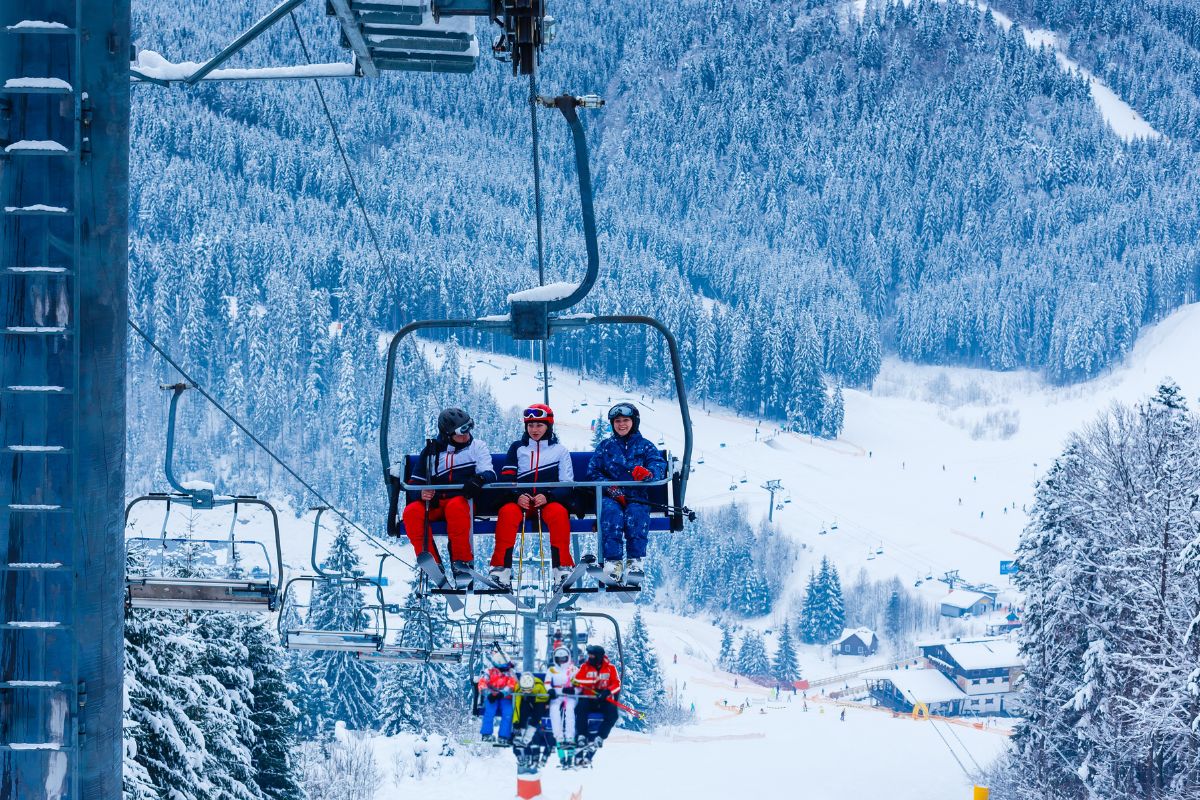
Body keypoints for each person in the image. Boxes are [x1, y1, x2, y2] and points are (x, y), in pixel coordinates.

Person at [401, 408, 495, 579]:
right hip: (436, 503)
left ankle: (462, 562)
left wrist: (478, 479)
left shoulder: (477, 447)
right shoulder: (431, 452)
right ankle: (431, 562)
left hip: (463, 502)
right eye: (461, 432)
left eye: (468, 429)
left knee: (456, 507)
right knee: (411, 512)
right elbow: (415, 483)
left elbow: (489, 472)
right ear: (447, 434)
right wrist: (421, 494)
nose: (466, 436)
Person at [490, 404, 576, 590]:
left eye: (539, 425)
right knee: (507, 513)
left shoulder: (559, 451)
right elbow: (508, 478)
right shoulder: (518, 448)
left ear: (548, 426)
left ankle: (561, 568)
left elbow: (567, 484)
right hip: (521, 502)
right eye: (530, 426)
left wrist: (548, 496)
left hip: (547, 502)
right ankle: (501, 569)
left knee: (559, 514)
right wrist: (516, 496)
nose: (534, 430)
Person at [587, 402, 667, 582]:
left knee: (636, 513)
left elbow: (658, 464)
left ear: (634, 422)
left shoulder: (645, 446)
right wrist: (611, 487)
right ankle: (613, 562)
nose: (621, 425)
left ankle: (634, 561)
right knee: (611, 513)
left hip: (636, 496)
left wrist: (649, 474)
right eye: (617, 421)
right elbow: (593, 471)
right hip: (610, 496)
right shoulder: (605, 446)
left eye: (625, 420)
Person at [572, 645, 622, 765]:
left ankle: (600, 736)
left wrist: (607, 691)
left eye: (592, 656)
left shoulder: (610, 668)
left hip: (604, 699)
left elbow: (617, 684)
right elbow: (577, 681)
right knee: (580, 709)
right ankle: (582, 736)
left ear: (599, 656)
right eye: (589, 655)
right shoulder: (585, 667)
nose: (590, 657)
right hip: (588, 697)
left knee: (613, 714)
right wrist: (593, 685)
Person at [511, 672, 555, 772]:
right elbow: (516, 705)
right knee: (523, 710)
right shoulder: (518, 687)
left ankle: (527, 738)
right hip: (525, 702)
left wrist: (534, 697)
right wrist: (516, 723)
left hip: (538, 701)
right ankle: (519, 735)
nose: (527, 691)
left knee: (537, 714)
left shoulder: (538, 684)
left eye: (529, 689)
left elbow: (545, 698)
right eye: (524, 690)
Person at [477, 653, 517, 744]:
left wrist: (503, 693)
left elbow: (512, 684)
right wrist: (488, 693)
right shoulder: (489, 671)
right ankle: (486, 734)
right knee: (489, 712)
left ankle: (503, 736)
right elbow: (482, 683)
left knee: (508, 713)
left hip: (505, 697)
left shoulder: (510, 673)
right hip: (492, 696)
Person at [545, 646, 577, 750]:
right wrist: (550, 690)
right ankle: (558, 736)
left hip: (569, 694)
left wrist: (573, 690)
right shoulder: (552, 670)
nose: (561, 661)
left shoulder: (573, 669)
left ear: (568, 657)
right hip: (557, 693)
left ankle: (570, 737)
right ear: (555, 658)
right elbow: (547, 683)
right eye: (559, 658)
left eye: (564, 658)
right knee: (554, 709)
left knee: (569, 710)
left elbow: (579, 683)